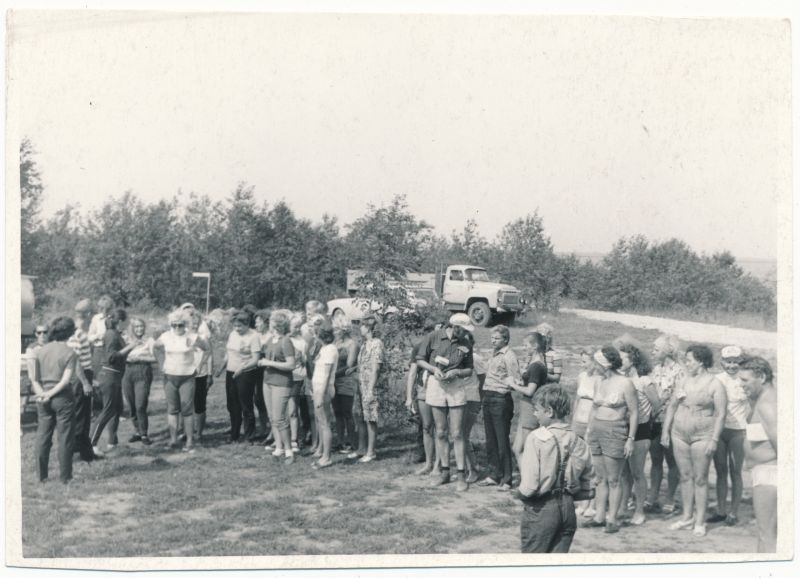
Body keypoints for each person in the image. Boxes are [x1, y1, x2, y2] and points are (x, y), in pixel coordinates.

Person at [516, 385, 594, 553]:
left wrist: (521, 494)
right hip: (568, 510)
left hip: (542, 508)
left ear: (549, 411)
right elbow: (588, 488)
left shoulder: (536, 438)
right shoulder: (579, 440)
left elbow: (529, 486)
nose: (534, 414)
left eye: (537, 410)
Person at [661, 344, 727, 537]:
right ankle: (687, 516)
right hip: (679, 434)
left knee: (700, 478)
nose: (686, 363)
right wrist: (665, 431)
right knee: (685, 476)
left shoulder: (715, 384)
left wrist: (714, 439)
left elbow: (721, 414)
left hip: (703, 435)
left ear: (701, 361)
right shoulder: (683, 381)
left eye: (689, 360)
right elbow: (672, 406)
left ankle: (700, 521)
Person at [416, 314, 475, 490]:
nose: (465, 333)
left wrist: (457, 372)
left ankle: (461, 475)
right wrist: (434, 369)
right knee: (441, 432)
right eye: (463, 330)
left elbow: (469, 369)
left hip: (456, 386)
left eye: (466, 331)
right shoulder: (434, 337)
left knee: (457, 433)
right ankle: (444, 472)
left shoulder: (466, 343)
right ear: (454, 326)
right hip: (436, 384)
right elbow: (420, 359)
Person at [584, 345, 639, 534]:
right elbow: (594, 408)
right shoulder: (599, 382)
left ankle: (612, 519)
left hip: (615, 432)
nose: (594, 366)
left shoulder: (625, 383)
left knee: (614, 478)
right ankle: (599, 517)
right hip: (597, 431)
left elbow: (634, 413)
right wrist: (589, 430)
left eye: (596, 363)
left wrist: (630, 439)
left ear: (605, 364)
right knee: (600, 478)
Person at [153, 310, 211, 452]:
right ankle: (173, 439)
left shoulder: (192, 337)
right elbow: (155, 348)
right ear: (171, 325)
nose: (177, 328)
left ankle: (189, 441)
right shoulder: (166, 336)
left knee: (187, 410)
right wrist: (161, 364)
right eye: (174, 325)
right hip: (170, 377)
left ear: (185, 324)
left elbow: (207, 349)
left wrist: (199, 366)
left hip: (187, 377)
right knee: (172, 409)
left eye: (180, 325)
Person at [31, 317, 78, 484]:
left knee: (42, 436)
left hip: (42, 396)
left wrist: (43, 394)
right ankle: (65, 477)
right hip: (62, 397)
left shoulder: (40, 351)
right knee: (65, 437)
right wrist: (50, 394)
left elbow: (34, 379)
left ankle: (41, 476)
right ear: (70, 332)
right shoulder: (70, 353)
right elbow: (65, 381)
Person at [476, 325, 521, 492]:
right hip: (488, 397)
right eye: (492, 338)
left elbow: (515, 379)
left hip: (500, 399)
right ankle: (494, 474)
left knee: (502, 441)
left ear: (506, 339)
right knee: (491, 441)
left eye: (497, 338)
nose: (493, 341)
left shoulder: (509, 356)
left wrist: (507, 385)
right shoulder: (493, 353)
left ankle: (507, 479)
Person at [617, 341, 658, 526]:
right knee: (623, 473)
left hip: (640, 430)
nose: (619, 361)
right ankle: (623, 507)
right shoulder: (622, 379)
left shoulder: (644, 381)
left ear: (632, 359)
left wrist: (646, 419)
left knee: (637, 473)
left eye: (623, 358)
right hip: (622, 428)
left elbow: (657, 405)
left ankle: (639, 510)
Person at [708, 345, 749, 526]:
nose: (732, 365)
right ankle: (721, 510)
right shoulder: (717, 379)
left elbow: (754, 403)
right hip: (719, 430)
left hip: (738, 431)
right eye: (728, 362)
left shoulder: (745, 379)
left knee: (736, 471)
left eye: (735, 362)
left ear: (741, 362)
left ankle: (734, 512)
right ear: (722, 362)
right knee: (720, 470)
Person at [739, 356, 777, 553]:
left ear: (761, 377)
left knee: (767, 535)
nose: (741, 384)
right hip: (765, 473)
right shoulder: (762, 401)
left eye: (745, 380)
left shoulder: (767, 405)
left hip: (770, 474)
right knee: (767, 533)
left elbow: (786, 448)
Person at [646, 334, 684, 515]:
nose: (652, 352)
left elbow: (678, 399)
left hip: (672, 421)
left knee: (672, 461)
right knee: (655, 459)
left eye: (656, 349)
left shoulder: (679, 371)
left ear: (668, 350)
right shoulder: (655, 369)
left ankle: (670, 497)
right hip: (654, 420)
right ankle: (653, 496)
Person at [90, 309, 136, 454]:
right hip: (109, 376)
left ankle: (112, 443)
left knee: (117, 409)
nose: (129, 322)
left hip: (115, 376)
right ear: (121, 321)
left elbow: (119, 356)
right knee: (108, 410)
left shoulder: (116, 333)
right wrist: (130, 347)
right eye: (127, 320)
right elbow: (111, 357)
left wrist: (129, 347)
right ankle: (91, 444)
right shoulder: (111, 334)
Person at [216, 310, 262, 444]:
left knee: (245, 404)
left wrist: (242, 369)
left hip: (246, 373)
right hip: (231, 372)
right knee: (232, 404)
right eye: (235, 326)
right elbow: (229, 353)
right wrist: (221, 368)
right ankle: (234, 433)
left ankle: (249, 435)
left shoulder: (254, 336)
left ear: (247, 324)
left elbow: (255, 359)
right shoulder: (232, 334)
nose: (237, 329)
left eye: (240, 326)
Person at [258, 310, 297, 463]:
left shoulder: (286, 341)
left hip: (281, 382)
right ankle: (278, 448)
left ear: (277, 324)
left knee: (280, 418)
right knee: (272, 417)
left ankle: (289, 451)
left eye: (271, 321)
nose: (269, 323)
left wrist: (268, 363)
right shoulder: (270, 339)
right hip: (267, 381)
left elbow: (291, 364)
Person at [405, 320, 441, 477]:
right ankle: (428, 463)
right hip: (423, 388)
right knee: (426, 426)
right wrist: (408, 397)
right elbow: (412, 373)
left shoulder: (444, 347)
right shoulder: (419, 347)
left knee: (440, 428)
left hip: (440, 387)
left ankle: (439, 465)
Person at [510, 331, 548, 467]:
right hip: (526, 408)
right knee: (517, 449)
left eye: (526, 345)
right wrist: (520, 382)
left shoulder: (537, 366)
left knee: (528, 449)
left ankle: (533, 477)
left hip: (531, 408)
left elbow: (530, 391)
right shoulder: (535, 363)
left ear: (535, 346)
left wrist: (512, 384)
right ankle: (526, 477)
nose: (524, 348)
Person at [68, 300, 98, 462]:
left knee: (84, 414)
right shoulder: (78, 333)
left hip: (84, 374)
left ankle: (86, 452)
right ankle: (78, 451)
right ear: (87, 314)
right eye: (92, 314)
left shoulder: (78, 331)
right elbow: (75, 361)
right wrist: (85, 382)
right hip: (80, 377)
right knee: (81, 415)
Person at [352, 316, 385, 464]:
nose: (360, 328)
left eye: (362, 325)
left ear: (368, 328)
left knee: (371, 418)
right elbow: (364, 363)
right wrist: (354, 369)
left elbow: (376, 367)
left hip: (370, 385)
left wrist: (370, 389)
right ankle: (361, 448)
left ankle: (371, 452)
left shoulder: (377, 344)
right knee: (360, 416)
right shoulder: (365, 344)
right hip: (361, 384)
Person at [572, 350, 599, 518]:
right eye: (581, 361)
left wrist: (590, 426)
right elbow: (577, 399)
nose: (582, 365)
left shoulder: (600, 379)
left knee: (592, 463)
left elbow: (597, 405)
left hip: (591, 423)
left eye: (585, 361)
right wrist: (573, 420)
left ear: (594, 362)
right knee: (578, 461)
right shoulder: (581, 376)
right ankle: (582, 500)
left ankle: (592, 503)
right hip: (578, 422)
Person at [122, 317, 156, 445]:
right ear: (132, 328)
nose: (139, 329)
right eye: (136, 327)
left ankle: (144, 433)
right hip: (127, 371)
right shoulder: (126, 340)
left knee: (140, 404)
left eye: (141, 326)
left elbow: (156, 358)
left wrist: (141, 358)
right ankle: (137, 431)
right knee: (131, 404)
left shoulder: (149, 340)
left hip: (143, 371)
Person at [311, 325, 338, 469]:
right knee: (321, 422)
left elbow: (327, 375)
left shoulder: (330, 350)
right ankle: (322, 453)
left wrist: (321, 395)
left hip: (324, 389)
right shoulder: (324, 348)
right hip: (318, 388)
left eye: (315, 334)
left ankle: (327, 458)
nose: (314, 337)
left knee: (325, 423)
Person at [187, 309, 214, 442]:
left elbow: (209, 356)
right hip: (185, 375)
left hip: (200, 375)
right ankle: (187, 431)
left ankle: (199, 433)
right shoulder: (183, 337)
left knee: (199, 404)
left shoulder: (203, 338)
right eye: (192, 323)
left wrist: (209, 374)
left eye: (197, 323)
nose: (194, 325)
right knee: (186, 404)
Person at [333, 321, 358, 454]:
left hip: (346, 381)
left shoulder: (352, 344)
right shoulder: (335, 343)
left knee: (347, 412)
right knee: (337, 412)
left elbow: (349, 365)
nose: (334, 332)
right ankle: (339, 442)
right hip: (333, 381)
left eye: (337, 330)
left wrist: (332, 375)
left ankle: (351, 442)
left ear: (344, 330)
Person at [289, 314, 311, 449]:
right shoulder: (285, 340)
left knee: (299, 409)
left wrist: (305, 380)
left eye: (299, 327)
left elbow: (305, 363)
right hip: (285, 378)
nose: (297, 329)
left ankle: (298, 437)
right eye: (294, 326)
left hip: (299, 379)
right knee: (288, 410)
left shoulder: (302, 342)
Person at [253, 309, 273, 443]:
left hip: (267, 370)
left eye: (258, 322)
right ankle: (263, 428)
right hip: (256, 371)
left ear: (266, 323)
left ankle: (272, 430)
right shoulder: (256, 335)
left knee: (268, 401)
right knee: (258, 400)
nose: (256, 325)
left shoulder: (270, 336)